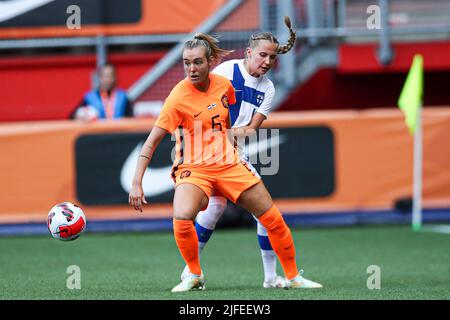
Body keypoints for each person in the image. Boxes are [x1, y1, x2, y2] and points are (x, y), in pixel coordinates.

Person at [128, 32, 322, 292]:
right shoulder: (181, 95)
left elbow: (228, 118)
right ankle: (193, 273)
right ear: (249, 53)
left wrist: (225, 138)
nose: (191, 68)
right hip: (195, 166)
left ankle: (290, 277)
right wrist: (137, 182)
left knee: (271, 218)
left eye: (197, 62)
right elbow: (151, 141)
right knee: (184, 215)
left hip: (230, 160)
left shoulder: (229, 86)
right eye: (187, 62)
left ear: (209, 63)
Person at [180, 17, 299, 289]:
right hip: (207, 152)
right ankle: (190, 272)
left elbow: (251, 129)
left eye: (272, 57)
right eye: (262, 55)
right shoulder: (226, 72)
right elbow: (198, 101)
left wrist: (230, 135)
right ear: (248, 53)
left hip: (232, 155)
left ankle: (267, 277)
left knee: (238, 211)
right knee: (227, 209)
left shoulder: (268, 88)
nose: (267, 62)